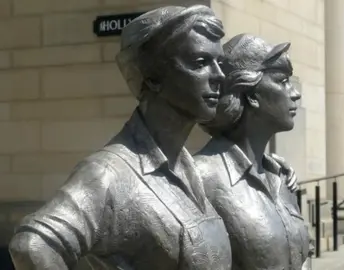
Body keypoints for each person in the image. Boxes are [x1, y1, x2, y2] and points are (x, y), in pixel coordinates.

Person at [8, 5, 233, 269]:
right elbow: (31, 247)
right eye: (200, 63)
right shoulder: (109, 174)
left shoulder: (188, 168)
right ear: (153, 77)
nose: (219, 76)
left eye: (219, 62)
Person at [194, 34, 312, 270]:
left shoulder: (281, 176)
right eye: (282, 81)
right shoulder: (200, 177)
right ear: (251, 95)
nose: (295, 93)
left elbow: (303, 256)